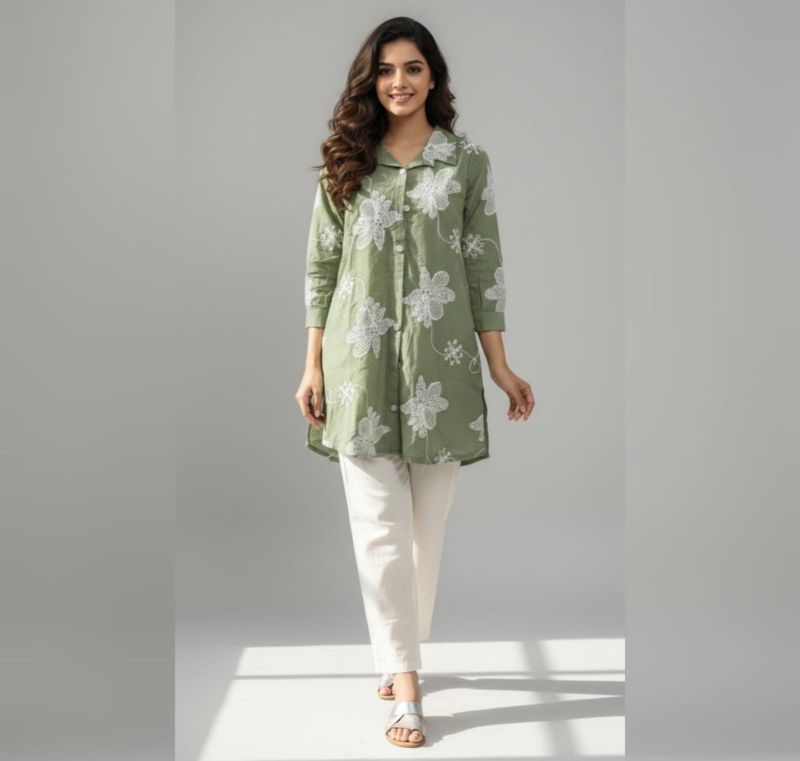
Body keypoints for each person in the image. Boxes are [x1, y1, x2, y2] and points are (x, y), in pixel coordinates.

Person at [294, 16, 534, 748]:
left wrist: (499, 365)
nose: (398, 82)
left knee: (425, 534)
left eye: (412, 68)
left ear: (433, 77)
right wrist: (311, 364)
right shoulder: (347, 161)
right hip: (358, 371)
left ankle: (399, 649)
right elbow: (321, 266)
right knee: (380, 533)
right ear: (370, 80)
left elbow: (483, 268)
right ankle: (406, 687)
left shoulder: (466, 164)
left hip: (441, 372)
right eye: (385, 70)